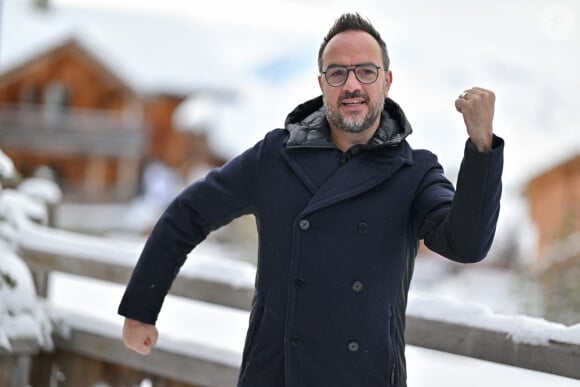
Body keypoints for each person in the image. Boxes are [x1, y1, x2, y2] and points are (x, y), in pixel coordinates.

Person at [119, 13, 503, 387]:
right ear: (322, 83)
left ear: (386, 81)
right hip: (275, 374)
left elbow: (466, 245)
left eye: (365, 71)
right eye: (338, 72)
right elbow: (188, 214)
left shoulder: (415, 172)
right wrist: (140, 309)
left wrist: (482, 146)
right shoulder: (275, 156)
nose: (352, 84)